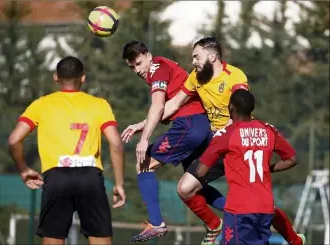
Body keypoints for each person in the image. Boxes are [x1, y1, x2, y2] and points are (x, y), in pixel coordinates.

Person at [129, 36, 305, 245]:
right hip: (216, 143)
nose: (193, 61)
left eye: (196, 56)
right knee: (186, 189)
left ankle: (292, 238)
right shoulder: (195, 77)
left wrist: (229, 135)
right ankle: (215, 226)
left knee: (249, 200)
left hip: (234, 142)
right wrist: (143, 124)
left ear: (212, 56)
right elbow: (174, 104)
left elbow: (241, 108)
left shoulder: (234, 76)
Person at [8, 56, 126, 245]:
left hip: (56, 177)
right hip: (90, 176)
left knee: (53, 239)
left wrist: (24, 169)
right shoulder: (99, 104)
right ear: (83, 78)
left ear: (56, 77)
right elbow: (116, 144)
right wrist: (119, 183)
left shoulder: (41, 104)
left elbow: (14, 140)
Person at [121, 40, 225, 244]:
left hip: (189, 126)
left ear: (148, 56)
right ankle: (239, 212)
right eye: (132, 67)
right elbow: (171, 105)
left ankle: (156, 222)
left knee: (144, 163)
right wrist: (141, 125)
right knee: (194, 185)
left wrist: (144, 139)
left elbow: (159, 106)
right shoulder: (163, 66)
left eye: (139, 63)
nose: (137, 70)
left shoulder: (157, 69)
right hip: (202, 127)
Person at [195, 89, 299, 245]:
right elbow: (292, 159)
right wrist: (267, 169)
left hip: (239, 209)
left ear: (231, 108)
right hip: (265, 208)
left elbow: (200, 171)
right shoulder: (268, 129)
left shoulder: (226, 134)